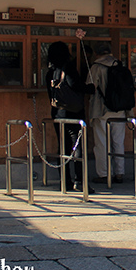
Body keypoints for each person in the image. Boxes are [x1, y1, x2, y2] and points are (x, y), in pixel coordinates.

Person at [46, 41, 95, 194]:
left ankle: (65, 182)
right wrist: (90, 88)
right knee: (77, 147)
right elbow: (76, 86)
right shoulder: (68, 68)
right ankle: (79, 181)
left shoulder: (50, 72)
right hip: (73, 113)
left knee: (63, 148)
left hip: (57, 113)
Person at [87, 42, 132, 184]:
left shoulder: (96, 67)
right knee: (118, 142)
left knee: (101, 143)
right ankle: (119, 173)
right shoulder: (119, 66)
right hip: (120, 110)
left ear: (96, 53)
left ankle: (105, 174)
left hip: (102, 109)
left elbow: (90, 86)